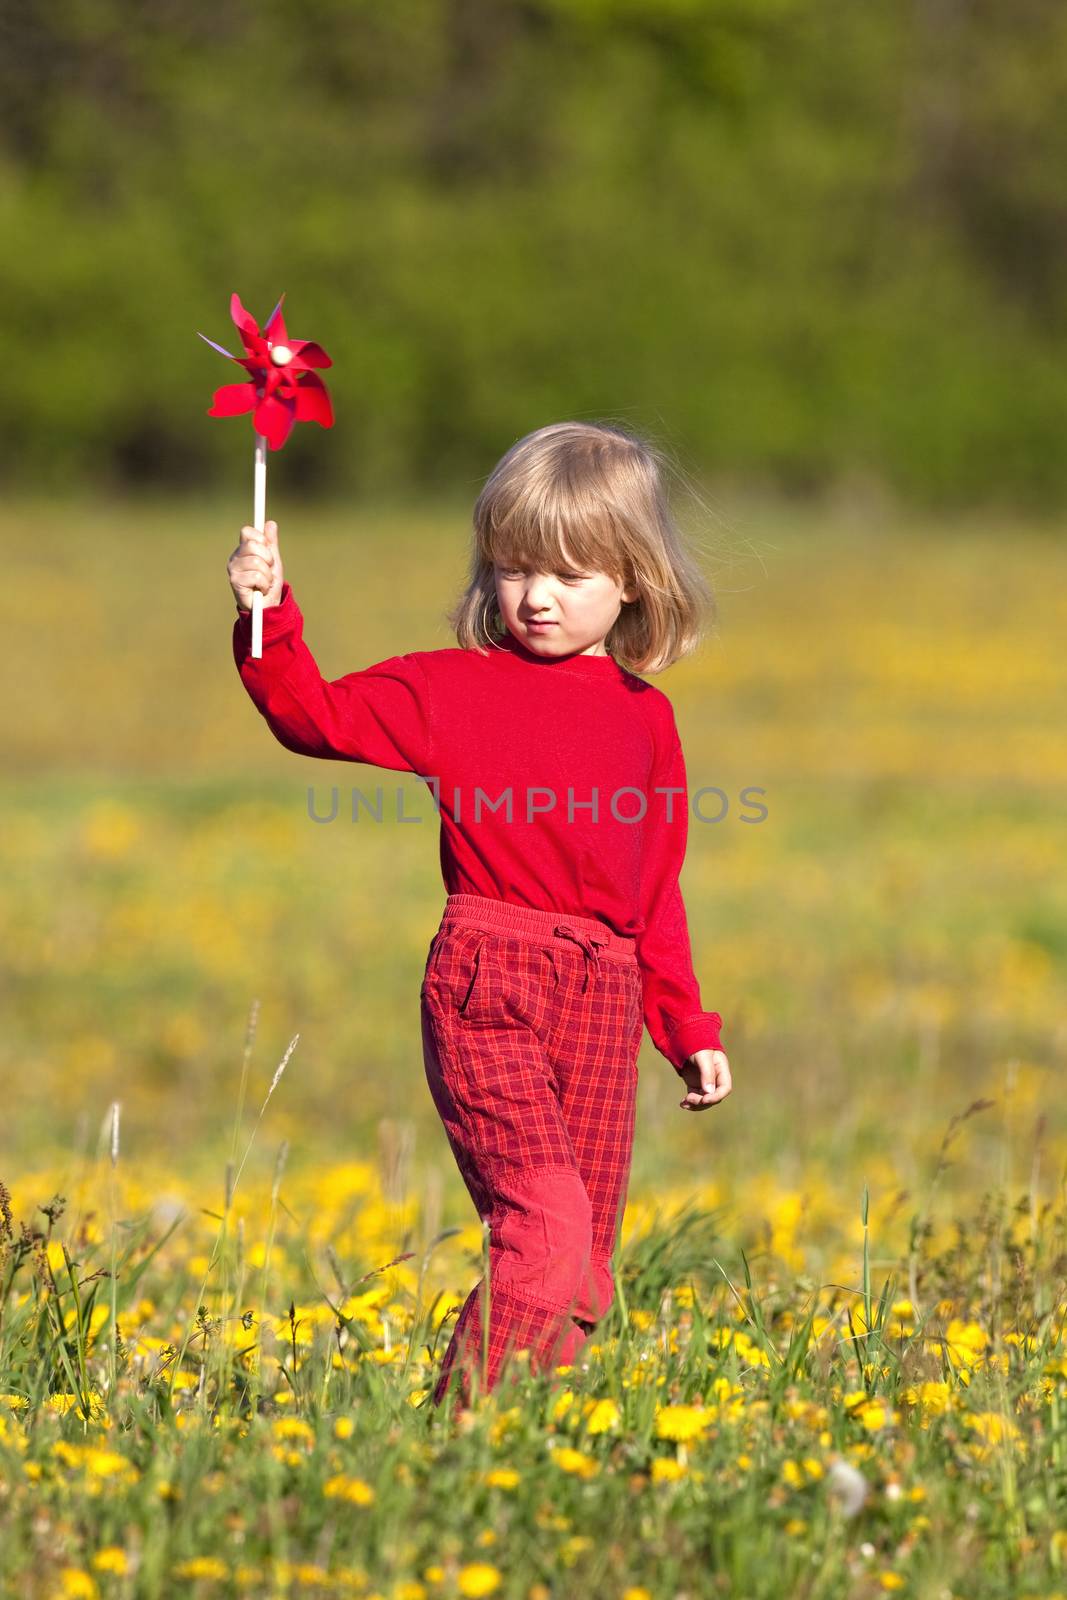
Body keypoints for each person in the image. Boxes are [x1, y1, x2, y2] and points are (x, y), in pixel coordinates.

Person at [228, 420, 733, 1411]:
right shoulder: (446, 686)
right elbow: (310, 714)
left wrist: (683, 1026)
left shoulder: (646, 720)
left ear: (632, 580)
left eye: (571, 573)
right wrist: (267, 613)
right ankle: (457, 1437)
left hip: (602, 997)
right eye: (511, 568)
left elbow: (652, 891)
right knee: (542, 1233)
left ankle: (506, 1440)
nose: (536, 596)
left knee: (582, 1269)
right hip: (489, 979)